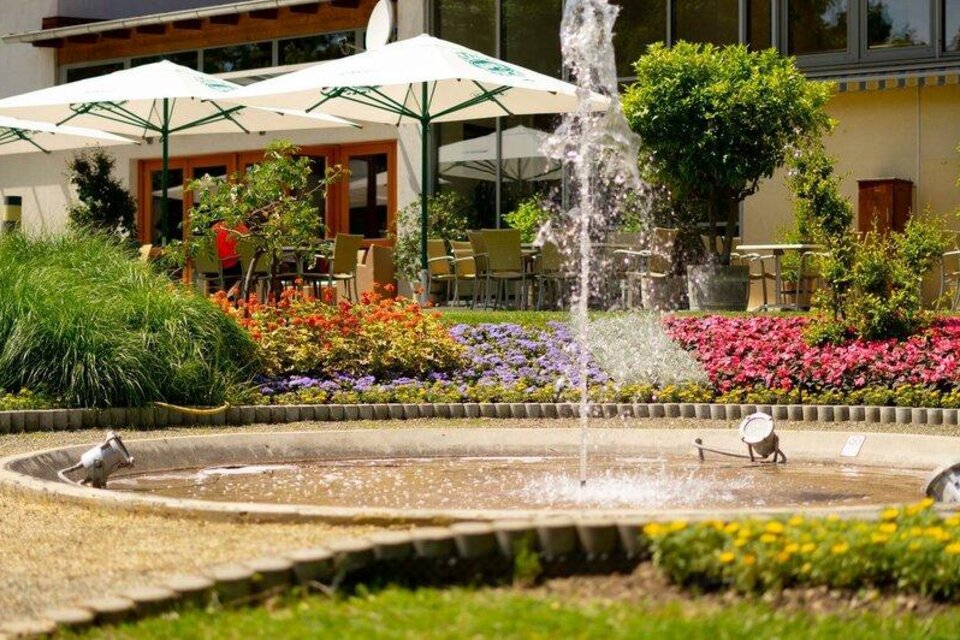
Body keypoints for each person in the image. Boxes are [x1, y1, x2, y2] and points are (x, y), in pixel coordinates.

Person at [212, 220, 248, 301]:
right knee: (247, 266)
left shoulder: (214, 228)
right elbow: (249, 248)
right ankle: (232, 295)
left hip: (214, 268)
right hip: (231, 267)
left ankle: (228, 293)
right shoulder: (239, 227)